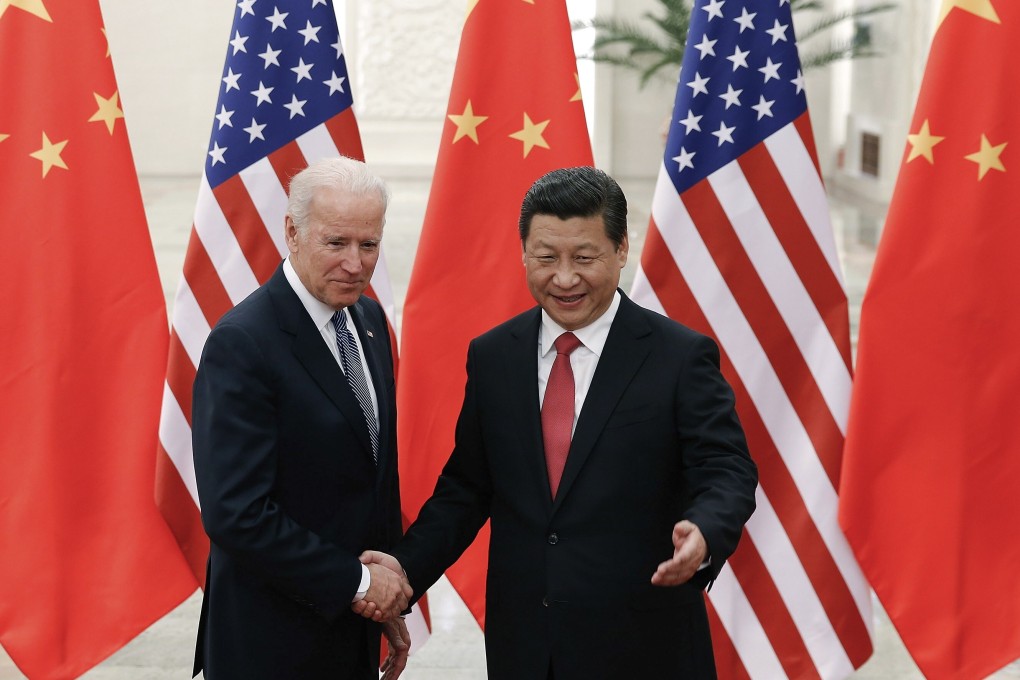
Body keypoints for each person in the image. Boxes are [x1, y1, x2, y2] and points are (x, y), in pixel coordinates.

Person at [358, 166, 758, 679]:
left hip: (644, 648)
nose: (565, 278)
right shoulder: (494, 356)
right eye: (546, 257)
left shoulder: (678, 356)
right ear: (524, 254)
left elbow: (726, 469)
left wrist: (706, 530)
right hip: (526, 649)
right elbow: (467, 489)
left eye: (585, 257)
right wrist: (405, 569)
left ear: (620, 251)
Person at [191, 156, 412, 679]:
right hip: (269, 644)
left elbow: (370, 476)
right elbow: (236, 513)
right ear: (293, 233)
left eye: (369, 244)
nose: (356, 264)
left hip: (350, 631)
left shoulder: (370, 320)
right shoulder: (243, 343)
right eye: (336, 243)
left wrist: (385, 600)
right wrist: (359, 585)